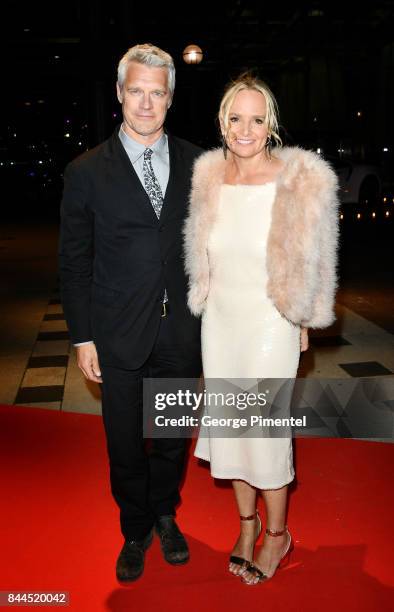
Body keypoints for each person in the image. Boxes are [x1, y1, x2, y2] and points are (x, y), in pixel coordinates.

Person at [183, 73, 339, 585]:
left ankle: (277, 535)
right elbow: (198, 249)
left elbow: (320, 257)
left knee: (265, 432)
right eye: (234, 118)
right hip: (221, 322)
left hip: (272, 321)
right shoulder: (208, 176)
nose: (244, 130)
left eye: (255, 119)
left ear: (270, 123)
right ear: (222, 122)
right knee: (232, 430)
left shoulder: (299, 178)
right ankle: (246, 526)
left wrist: (304, 318)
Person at [59, 43, 202, 582]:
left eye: (157, 92)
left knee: (169, 435)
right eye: (136, 91)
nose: (146, 103)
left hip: (180, 331)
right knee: (124, 442)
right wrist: (82, 336)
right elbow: (74, 262)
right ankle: (134, 527)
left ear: (170, 98)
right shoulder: (86, 171)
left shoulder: (200, 164)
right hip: (117, 333)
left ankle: (165, 514)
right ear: (120, 93)